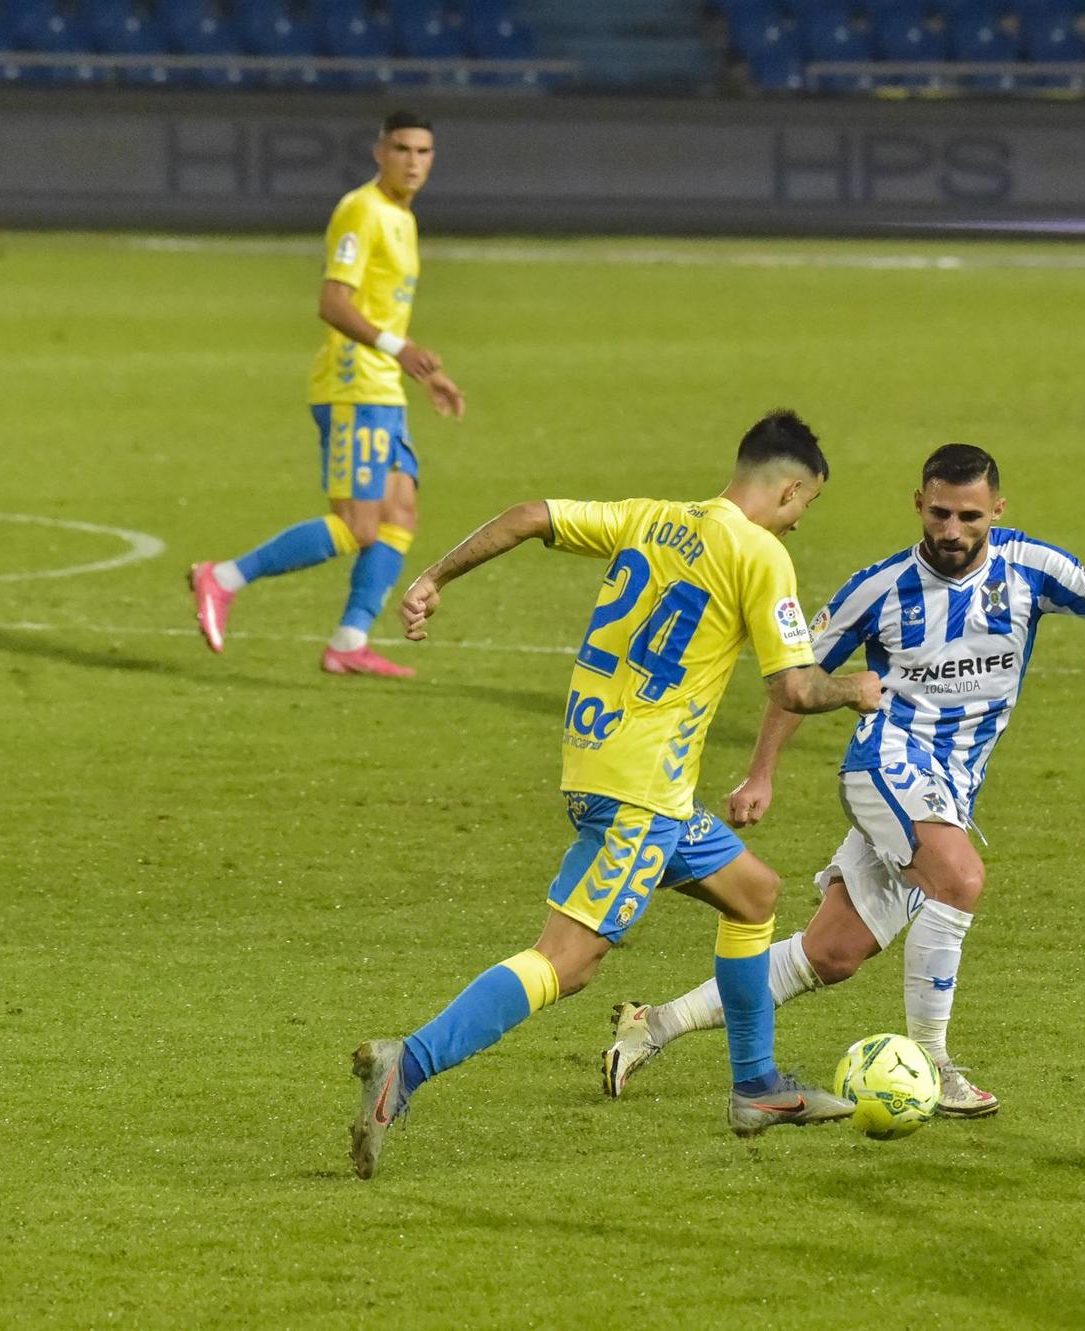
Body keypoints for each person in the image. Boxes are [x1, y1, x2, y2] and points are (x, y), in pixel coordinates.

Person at [346, 411, 883, 1179]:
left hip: (603, 763)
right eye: (807, 507)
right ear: (790, 489)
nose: (799, 524)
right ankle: (410, 1063)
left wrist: (434, 576)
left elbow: (531, 515)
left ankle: (756, 1087)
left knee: (755, 895)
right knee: (569, 960)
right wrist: (852, 688)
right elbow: (794, 688)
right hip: (643, 792)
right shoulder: (759, 554)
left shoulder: (651, 519)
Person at [602, 443, 1085, 1118]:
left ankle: (652, 1024)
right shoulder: (878, 587)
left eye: (969, 516)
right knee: (959, 877)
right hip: (885, 765)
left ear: (997, 511)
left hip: (950, 789)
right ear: (919, 503)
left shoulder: (1032, 566)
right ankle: (935, 1062)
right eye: (940, 512)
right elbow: (793, 684)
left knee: (830, 954)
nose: (952, 530)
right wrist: (760, 774)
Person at [188, 109, 467, 678]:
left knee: (401, 512)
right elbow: (333, 303)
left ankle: (348, 642)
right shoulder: (361, 211)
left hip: (383, 384)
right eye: (403, 150)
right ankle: (222, 578)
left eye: (424, 152)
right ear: (379, 152)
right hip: (352, 384)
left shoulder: (402, 218)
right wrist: (400, 351)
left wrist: (421, 369)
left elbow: (378, 309)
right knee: (356, 524)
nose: (413, 162)